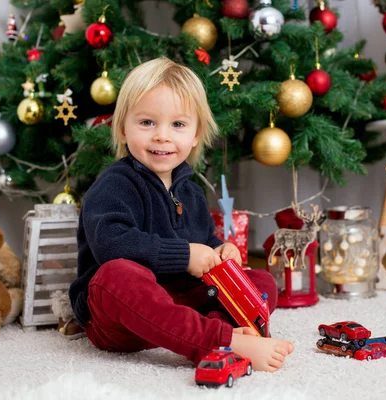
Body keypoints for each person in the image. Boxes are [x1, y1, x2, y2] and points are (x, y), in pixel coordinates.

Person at [68, 57, 294, 372]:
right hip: (123, 315)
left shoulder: (189, 191)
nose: (162, 136)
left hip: (178, 303)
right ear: (122, 129)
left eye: (178, 124)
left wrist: (218, 251)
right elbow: (110, 244)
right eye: (147, 123)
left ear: (196, 134)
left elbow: (202, 237)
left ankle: (215, 329)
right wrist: (185, 255)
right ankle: (220, 339)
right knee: (115, 276)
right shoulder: (113, 186)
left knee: (260, 281)